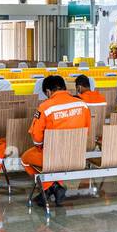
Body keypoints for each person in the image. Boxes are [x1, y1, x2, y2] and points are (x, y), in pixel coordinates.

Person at [21, 74, 90, 208]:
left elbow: (36, 137)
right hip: (77, 155)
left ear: (48, 92)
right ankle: (51, 189)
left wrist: (40, 147)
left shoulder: (45, 107)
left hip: (53, 156)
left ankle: (51, 187)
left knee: (25, 158)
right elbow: (86, 131)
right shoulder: (82, 105)